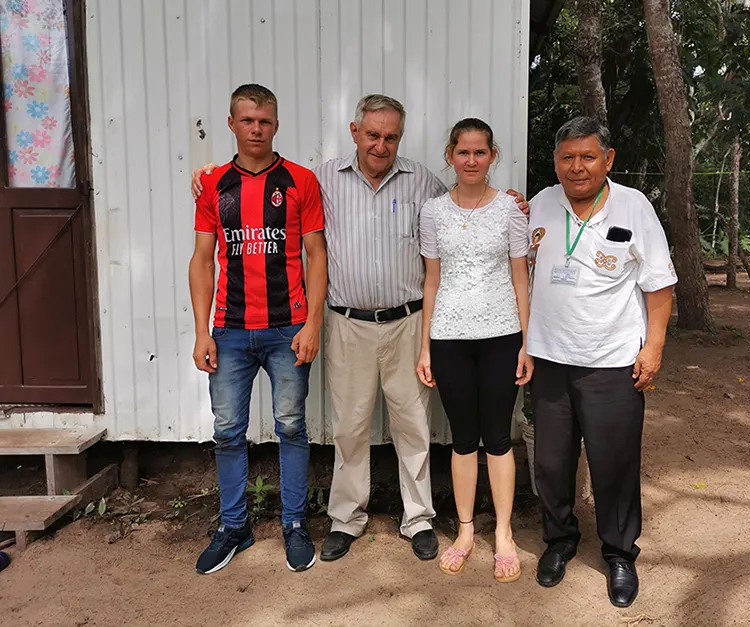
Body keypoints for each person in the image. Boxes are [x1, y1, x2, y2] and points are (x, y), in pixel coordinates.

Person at [192, 95, 529, 563]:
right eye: (372, 134)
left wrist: (510, 202)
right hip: (347, 321)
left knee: (413, 423)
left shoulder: (423, 182)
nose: (380, 145)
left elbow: (465, 206)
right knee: (349, 426)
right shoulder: (322, 179)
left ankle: (418, 519)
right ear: (355, 132)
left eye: (390, 136)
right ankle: (346, 518)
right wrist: (209, 172)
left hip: (408, 320)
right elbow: (266, 177)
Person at [526, 116, 677, 607]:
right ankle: (560, 540)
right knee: (551, 462)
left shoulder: (634, 207)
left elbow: (659, 284)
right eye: (567, 157)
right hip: (549, 358)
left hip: (613, 361)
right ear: (555, 162)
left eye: (588, 156)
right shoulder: (537, 205)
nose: (577, 167)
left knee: (613, 462)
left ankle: (618, 553)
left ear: (607, 160)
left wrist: (652, 348)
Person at [189, 84, 327, 575]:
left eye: (265, 121)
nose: (256, 129)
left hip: (287, 329)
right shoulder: (213, 185)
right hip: (228, 330)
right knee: (227, 432)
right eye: (247, 120)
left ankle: (293, 524)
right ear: (231, 123)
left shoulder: (299, 181)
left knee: (291, 427)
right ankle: (233, 527)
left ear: (276, 124)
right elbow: (203, 259)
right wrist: (202, 331)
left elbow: (315, 255)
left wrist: (312, 322)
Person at [416, 119, 532, 582]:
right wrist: (425, 347)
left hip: (503, 335)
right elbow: (431, 280)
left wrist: (527, 343)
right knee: (463, 439)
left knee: (499, 437)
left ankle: (503, 532)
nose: (470, 160)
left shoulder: (509, 210)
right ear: (450, 155)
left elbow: (522, 279)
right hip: (448, 337)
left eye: (480, 152)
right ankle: (465, 531)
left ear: (492, 155)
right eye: (462, 152)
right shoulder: (432, 212)